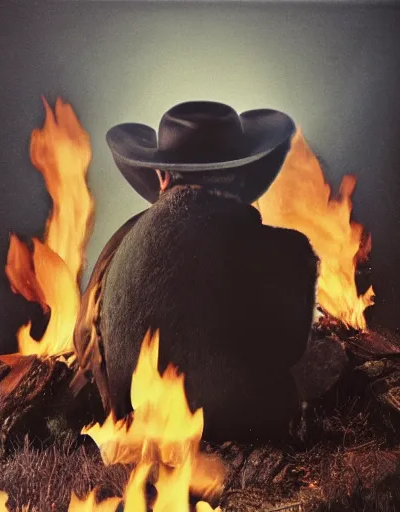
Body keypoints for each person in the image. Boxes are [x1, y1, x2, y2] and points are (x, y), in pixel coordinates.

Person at [72, 101, 318, 443]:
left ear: (162, 176)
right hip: (248, 437)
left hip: (138, 435)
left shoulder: (116, 249)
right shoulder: (289, 254)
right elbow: (292, 349)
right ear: (241, 175)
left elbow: (86, 346)